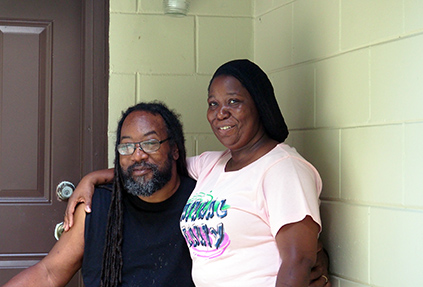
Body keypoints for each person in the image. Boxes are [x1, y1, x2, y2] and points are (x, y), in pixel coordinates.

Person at [64, 59, 332, 287]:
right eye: (213, 104)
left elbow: (299, 261)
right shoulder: (211, 165)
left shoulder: (284, 169)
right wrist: (93, 178)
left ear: (259, 105)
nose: (221, 113)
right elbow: (153, 162)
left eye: (234, 101)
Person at [4, 102, 196, 287]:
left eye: (150, 143)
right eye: (127, 146)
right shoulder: (97, 206)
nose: (138, 155)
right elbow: (49, 273)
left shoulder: (200, 202)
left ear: (174, 150)